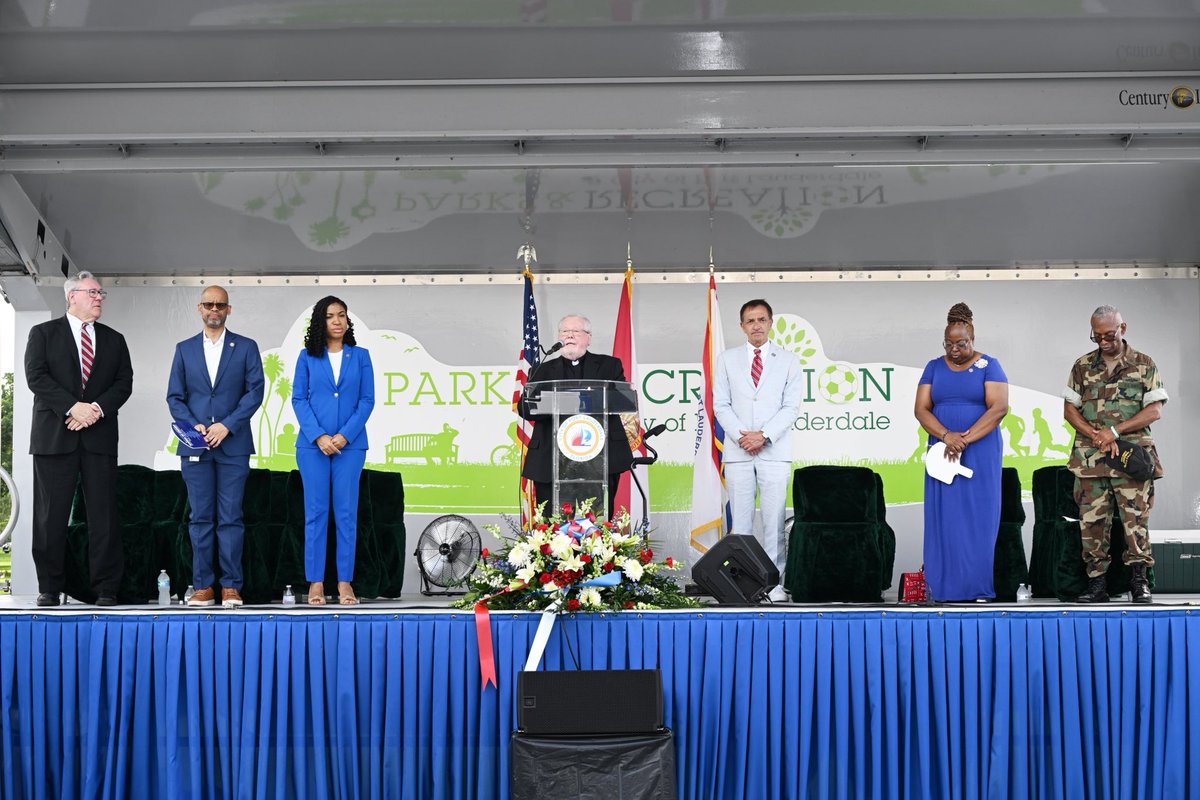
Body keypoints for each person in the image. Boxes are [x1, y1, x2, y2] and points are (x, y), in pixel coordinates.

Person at [24, 271, 133, 606]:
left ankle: (105, 589)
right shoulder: (43, 333)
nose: (99, 297)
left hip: (98, 440)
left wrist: (95, 409)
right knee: (50, 516)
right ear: (72, 296)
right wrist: (73, 407)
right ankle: (50, 587)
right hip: (55, 436)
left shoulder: (114, 339)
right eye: (93, 292)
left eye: (101, 293)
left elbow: (123, 383)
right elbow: (36, 376)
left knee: (103, 515)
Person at [166, 287, 264, 608]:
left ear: (228, 309)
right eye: (209, 304)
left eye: (220, 305)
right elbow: (174, 397)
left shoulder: (246, 347)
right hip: (195, 446)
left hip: (233, 446)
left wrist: (227, 425)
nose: (214, 309)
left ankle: (231, 587)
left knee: (231, 518)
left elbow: (254, 392)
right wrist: (193, 424)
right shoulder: (184, 350)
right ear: (199, 308)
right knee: (200, 519)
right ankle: (204, 586)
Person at [1063, 306, 1166, 604]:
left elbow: (1154, 410)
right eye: (1097, 337)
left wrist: (1114, 432)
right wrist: (1095, 434)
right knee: (1092, 523)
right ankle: (1097, 585)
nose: (1103, 342)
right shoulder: (1082, 366)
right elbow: (1070, 409)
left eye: (1109, 335)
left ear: (1123, 328)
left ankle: (1138, 582)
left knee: (1135, 521)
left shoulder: (1144, 364)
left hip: (1131, 459)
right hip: (1091, 459)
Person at [914, 302, 1009, 602]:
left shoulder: (989, 365)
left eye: (961, 344)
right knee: (945, 517)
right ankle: (941, 588)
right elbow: (921, 409)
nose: (954, 350)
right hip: (942, 452)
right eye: (949, 344)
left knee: (977, 517)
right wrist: (945, 435)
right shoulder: (933, 367)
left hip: (979, 452)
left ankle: (977, 588)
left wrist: (964, 440)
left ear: (972, 339)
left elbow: (999, 408)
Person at [713, 299, 802, 601]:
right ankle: (742, 584)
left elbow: (791, 407)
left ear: (770, 322)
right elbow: (720, 404)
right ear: (741, 326)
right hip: (738, 452)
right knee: (740, 523)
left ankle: (774, 586)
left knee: (774, 521)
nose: (756, 326)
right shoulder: (727, 359)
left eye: (761, 319)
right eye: (750, 321)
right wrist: (742, 438)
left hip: (774, 451)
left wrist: (763, 435)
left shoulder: (789, 360)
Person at [292, 296, 375, 605]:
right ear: (320, 322)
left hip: (350, 448)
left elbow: (367, 400)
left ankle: (344, 583)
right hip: (312, 447)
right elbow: (299, 399)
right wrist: (319, 436)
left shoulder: (361, 356)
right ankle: (315, 583)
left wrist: (343, 436)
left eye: (342, 315)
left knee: (346, 514)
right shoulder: (306, 357)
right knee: (315, 513)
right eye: (330, 316)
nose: (337, 321)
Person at [520, 314, 634, 518]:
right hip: (551, 460)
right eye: (565, 331)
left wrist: (564, 401)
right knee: (551, 525)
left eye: (576, 332)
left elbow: (622, 401)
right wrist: (577, 402)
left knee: (598, 522)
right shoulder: (542, 370)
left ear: (588, 337)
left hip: (600, 458)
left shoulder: (609, 366)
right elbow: (525, 408)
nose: (570, 336)